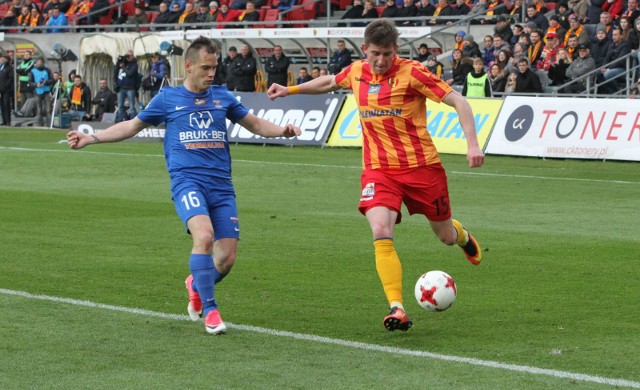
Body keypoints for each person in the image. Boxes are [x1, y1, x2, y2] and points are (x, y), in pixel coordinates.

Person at [66, 36, 302, 335]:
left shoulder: (222, 97)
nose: (212, 73)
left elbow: (255, 124)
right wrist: (92, 137)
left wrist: (282, 131)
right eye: (206, 67)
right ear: (188, 66)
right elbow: (131, 125)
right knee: (204, 237)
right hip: (188, 182)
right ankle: (212, 311)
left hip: (222, 187)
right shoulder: (167, 99)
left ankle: (195, 282)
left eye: (215, 67)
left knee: (226, 259)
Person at [267, 19, 484, 332]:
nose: (380, 60)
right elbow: (329, 82)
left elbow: (458, 101)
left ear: (395, 50)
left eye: (386, 54)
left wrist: (473, 143)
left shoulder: (413, 73)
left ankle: (461, 235)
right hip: (379, 171)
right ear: (364, 50)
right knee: (380, 229)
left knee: (445, 237)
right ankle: (397, 307)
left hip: (422, 168)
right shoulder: (357, 71)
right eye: (374, 54)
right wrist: (289, 89)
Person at [28, 57, 55, 126]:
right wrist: (36, 84)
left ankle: (49, 124)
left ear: (43, 62)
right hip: (37, 91)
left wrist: (45, 82)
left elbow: (52, 80)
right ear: (36, 63)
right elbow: (30, 82)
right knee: (39, 109)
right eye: (38, 61)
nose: (39, 63)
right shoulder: (32, 71)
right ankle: (40, 123)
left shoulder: (47, 70)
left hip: (46, 91)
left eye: (40, 61)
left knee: (48, 109)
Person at [114, 50, 139, 122]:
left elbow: (130, 74)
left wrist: (124, 67)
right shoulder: (123, 63)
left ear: (133, 56)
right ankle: (120, 120)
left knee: (131, 106)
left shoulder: (134, 64)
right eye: (127, 56)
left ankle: (132, 121)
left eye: (130, 56)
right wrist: (118, 62)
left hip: (130, 88)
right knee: (120, 106)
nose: (128, 57)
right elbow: (115, 72)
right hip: (121, 88)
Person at [0, 54, 13, 126]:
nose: (2, 59)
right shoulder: (1, 66)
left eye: (4, 58)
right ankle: (4, 120)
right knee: (1, 105)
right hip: (0, 89)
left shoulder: (9, 68)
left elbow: (10, 78)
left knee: (6, 104)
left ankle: (8, 120)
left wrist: (6, 86)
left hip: (6, 90)